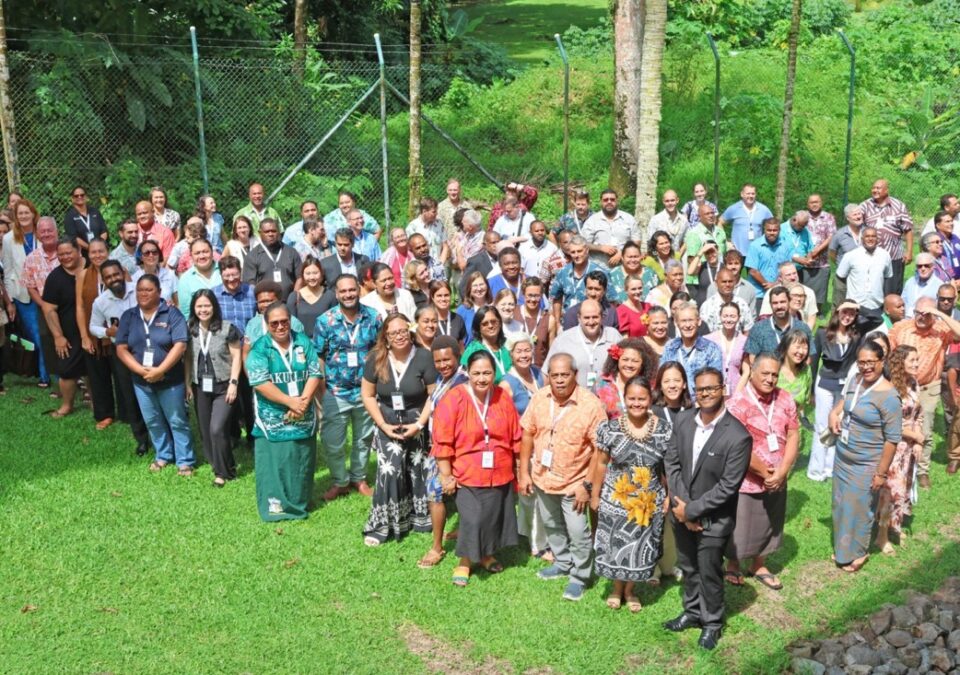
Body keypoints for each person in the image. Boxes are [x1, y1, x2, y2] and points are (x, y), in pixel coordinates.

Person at [663, 367, 752, 650]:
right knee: (688, 567)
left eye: (711, 388)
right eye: (700, 389)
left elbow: (728, 486)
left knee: (709, 571)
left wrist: (692, 511)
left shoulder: (738, 436)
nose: (705, 394)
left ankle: (712, 622)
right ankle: (692, 612)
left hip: (713, 520)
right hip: (681, 510)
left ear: (723, 389)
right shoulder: (684, 420)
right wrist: (681, 506)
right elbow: (672, 463)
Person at [518, 353, 607, 601]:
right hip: (543, 478)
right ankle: (563, 562)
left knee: (578, 532)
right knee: (552, 525)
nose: (559, 380)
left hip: (574, 483)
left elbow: (600, 450)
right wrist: (524, 472)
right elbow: (527, 434)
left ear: (575, 375)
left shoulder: (591, 405)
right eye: (554, 375)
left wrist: (587, 485)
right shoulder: (539, 398)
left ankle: (580, 576)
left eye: (564, 375)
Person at [432, 349, 521, 586]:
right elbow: (442, 439)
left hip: (499, 470)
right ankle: (464, 561)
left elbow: (515, 435)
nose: (482, 378)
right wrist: (446, 474)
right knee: (472, 518)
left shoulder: (502, 396)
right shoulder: (455, 398)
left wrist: (520, 470)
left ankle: (486, 554)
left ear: (494, 373)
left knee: (492, 517)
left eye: (487, 373)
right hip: (467, 472)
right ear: (468, 373)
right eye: (477, 373)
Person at [591, 375, 672, 611]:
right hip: (616, 500)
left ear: (650, 399)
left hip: (649, 501)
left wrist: (668, 496)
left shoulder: (663, 430)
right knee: (616, 547)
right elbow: (600, 464)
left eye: (642, 398)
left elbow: (667, 468)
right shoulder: (610, 428)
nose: (637, 403)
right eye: (632, 399)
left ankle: (630, 590)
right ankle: (617, 589)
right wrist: (595, 495)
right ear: (624, 400)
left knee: (640, 548)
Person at [724, 354, 799, 592]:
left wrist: (783, 470)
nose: (770, 379)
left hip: (778, 475)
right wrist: (765, 473)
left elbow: (794, 434)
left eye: (774, 374)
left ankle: (759, 564)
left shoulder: (785, 398)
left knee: (771, 520)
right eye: (765, 373)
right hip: (746, 479)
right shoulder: (737, 403)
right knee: (741, 524)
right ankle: (733, 564)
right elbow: (736, 445)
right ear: (753, 373)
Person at [360, 313, 437, 545]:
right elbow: (367, 394)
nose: (399, 336)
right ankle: (383, 524)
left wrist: (420, 425)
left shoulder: (424, 356)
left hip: (417, 421)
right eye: (393, 333)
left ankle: (418, 518)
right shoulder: (376, 358)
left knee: (417, 468)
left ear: (410, 331)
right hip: (387, 422)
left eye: (403, 331)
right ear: (386, 337)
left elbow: (434, 395)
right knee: (389, 470)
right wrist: (382, 424)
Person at [827, 342, 902, 572]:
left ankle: (858, 553)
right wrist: (834, 413)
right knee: (841, 504)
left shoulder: (889, 396)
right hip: (843, 455)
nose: (866, 367)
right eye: (862, 362)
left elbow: (892, 439)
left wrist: (881, 473)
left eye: (871, 362)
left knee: (859, 508)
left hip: (866, 462)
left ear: (882, 362)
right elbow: (844, 401)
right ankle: (842, 549)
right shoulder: (855, 380)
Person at [245, 302, 322, 520]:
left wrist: (303, 403)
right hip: (273, 418)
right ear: (267, 325)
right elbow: (260, 382)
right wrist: (291, 402)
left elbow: (315, 373)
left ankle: (299, 502)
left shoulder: (303, 341)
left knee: (300, 459)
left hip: (302, 414)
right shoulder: (260, 348)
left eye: (284, 321)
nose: (280, 326)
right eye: (274, 323)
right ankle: (276, 507)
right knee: (275, 462)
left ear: (290, 321)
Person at [115, 274, 195, 475]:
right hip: (141, 381)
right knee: (152, 420)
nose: (143, 293)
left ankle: (185, 460)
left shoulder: (172, 314)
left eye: (149, 290)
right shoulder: (129, 316)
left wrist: (161, 370)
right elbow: (121, 349)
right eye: (140, 290)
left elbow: (180, 345)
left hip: (170, 380)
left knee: (177, 420)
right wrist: (140, 370)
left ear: (159, 292)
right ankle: (163, 455)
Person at [310, 274, 381, 500]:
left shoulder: (373, 317)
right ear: (336, 293)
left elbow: (381, 351)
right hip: (335, 391)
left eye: (352, 290)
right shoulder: (325, 321)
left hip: (366, 391)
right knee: (332, 441)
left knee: (364, 439)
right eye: (343, 291)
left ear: (358, 289)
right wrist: (321, 389)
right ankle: (340, 481)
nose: (348, 294)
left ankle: (359, 478)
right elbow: (319, 356)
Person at [889, 297, 960, 489]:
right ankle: (895, 461)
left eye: (926, 314)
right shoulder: (901, 328)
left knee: (926, 429)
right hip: (902, 386)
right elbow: (888, 351)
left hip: (929, 386)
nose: (921, 317)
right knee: (899, 425)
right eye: (918, 312)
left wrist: (938, 314)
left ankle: (922, 471)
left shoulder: (940, 330)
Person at [416, 336, 469, 568]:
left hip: (455, 450)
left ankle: (438, 548)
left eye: (447, 359)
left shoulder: (464, 383)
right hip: (437, 446)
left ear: (457, 357)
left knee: (441, 493)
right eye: (438, 361)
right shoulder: (441, 379)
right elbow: (431, 400)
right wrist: (419, 424)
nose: (443, 365)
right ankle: (442, 541)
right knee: (435, 493)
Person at [88, 260, 151, 455]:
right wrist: (108, 331)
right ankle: (141, 439)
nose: (113, 279)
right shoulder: (101, 302)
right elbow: (93, 326)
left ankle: (163, 433)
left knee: (154, 390)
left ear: (123, 273)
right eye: (108, 277)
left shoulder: (139, 289)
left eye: (116, 274)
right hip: (122, 354)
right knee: (129, 396)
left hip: (147, 349)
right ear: (103, 280)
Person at [499, 333, 550, 560]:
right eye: (519, 351)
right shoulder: (506, 384)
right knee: (531, 494)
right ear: (511, 355)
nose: (524, 355)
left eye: (527, 350)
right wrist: (518, 456)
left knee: (543, 492)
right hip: (523, 447)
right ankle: (538, 544)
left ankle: (531, 533)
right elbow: (506, 423)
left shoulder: (539, 374)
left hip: (545, 445)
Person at [185, 290, 242, 487]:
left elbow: (237, 356)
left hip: (223, 386)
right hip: (200, 385)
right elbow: (187, 359)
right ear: (194, 308)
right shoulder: (190, 329)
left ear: (214, 306)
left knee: (217, 428)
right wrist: (187, 384)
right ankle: (218, 464)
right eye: (199, 306)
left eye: (207, 305)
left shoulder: (227, 329)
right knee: (205, 430)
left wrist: (234, 383)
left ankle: (224, 472)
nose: (203, 310)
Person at [875, 345, 923, 554]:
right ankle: (881, 536)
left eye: (917, 360)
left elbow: (918, 415)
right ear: (899, 363)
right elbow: (890, 423)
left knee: (903, 490)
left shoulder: (914, 384)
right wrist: (916, 436)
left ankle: (895, 525)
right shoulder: (890, 389)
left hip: (909, 449)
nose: (916, 364)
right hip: (893, 447)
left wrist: (918, 441)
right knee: (889, 491)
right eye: (912, 360)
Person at [808, 301, 861, 481]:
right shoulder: (823, 333)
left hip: (844, 385)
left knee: (837, 425)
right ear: (837, 312)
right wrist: (811, 390)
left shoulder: (856, 335)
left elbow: (873, 317)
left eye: (852, 314)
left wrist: (857, 306)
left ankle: (830, 468)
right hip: (825, 383)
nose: (847, 317)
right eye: (844, 312)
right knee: (822, 425)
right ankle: (816, 469)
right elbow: (814, 361)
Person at [2, 199, 47, 386]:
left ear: (33, 213)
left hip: (45, 291)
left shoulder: (42, 232)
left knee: (47, 332)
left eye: (26, 212)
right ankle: (44, 374)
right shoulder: (8, 238)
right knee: (36, 334)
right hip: (22, 294)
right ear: (16, 216)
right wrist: (10, 300)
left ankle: (48, 371)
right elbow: (8, 269)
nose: (23, 216)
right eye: (20, 213)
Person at [41, 238, 86, 418]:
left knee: (95, 370)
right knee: (67, 370)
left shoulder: (92, 267)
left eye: (69, 253)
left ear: (78, 251)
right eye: (61, 255)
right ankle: (67, 405)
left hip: (94, 330)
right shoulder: (55, 278)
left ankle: (100, 405)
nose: (65, 257)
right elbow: (49, 309)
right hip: (69, 333)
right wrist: (58, 336)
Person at [75, 239, 116, 429]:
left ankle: (127, 412)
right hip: (93, 334)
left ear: (107, 252)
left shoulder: (118, 271)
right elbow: (80, 306)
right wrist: (84, 336)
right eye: (93, 252)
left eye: (101, 251)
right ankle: (104, 414)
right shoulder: (83, 275)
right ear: (88, 254)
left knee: (122, 376)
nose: (97, 255)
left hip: (116, 334)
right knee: (98, 376)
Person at [548, 299, 622, 389]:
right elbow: (548, 373)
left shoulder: (614, 336)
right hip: (576, 399)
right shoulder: (563, 340)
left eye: (595, 317)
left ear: (602, 317)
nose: (591, 322)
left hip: (607, 399)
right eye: (586, 318)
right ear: (579, 318)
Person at [23, 216, 61, 388]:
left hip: (68, 307)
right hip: (44, 307)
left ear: (56, 231)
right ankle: (60, 380)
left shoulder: (67, 252)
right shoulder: (31, 258)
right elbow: (30, 287)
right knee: (48, 341)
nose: (46, 234)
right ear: (37, 235)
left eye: (50, 230)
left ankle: (80, 380)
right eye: (43, 231)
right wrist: (43, 304)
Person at [859, 178, 913, 295]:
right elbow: (856, 225)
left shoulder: (898, 206)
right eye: (873, 188)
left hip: (893, 255)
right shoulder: (865, 206)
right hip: (871, 255)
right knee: (872, 288)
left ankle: (891, 312)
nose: (875, 190)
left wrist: (909, 251)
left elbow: (908, 229)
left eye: (878, 188)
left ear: (886, 190)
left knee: (892, 289)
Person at [661, 303, 723, 398]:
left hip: (700, 405)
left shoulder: (711, 349)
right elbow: (662, 377)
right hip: (675, 404)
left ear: (698, 321)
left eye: (691, 320)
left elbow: (715, 383)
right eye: (683, 321)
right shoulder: (670, 347)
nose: (687, 325)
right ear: (676, 323)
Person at [744, 286, 815, 363]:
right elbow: (752, 359)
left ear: (789, 302)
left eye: (782, 302)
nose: (779, 306)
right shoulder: (759, 328)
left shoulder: (803, 328)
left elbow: (808, 358)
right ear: (770, 304)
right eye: (775, 303)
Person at [592, 338, 657, 420]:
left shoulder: (651, 386)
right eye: (625, 360)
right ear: (617, 361)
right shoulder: (601, 384)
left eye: (635, 361)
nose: (629, 364)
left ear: (643, 364)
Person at [241, 219, 300, 301]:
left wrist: (294, 297)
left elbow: (300, 277)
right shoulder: (252, 256)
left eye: (273, 231)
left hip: (289, 303)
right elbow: (250, 284)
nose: (270, 234)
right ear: (260, 233)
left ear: (279, 232)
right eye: (267, 232)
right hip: (266, 304)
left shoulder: (291, 252)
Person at [581, 189, 641, 269]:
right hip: (598, 268)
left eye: (612, 199)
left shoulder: (629, 219)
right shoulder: (592, 221)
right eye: (605, 200)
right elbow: (583, 244)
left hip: (624, 268)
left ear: (617, 201)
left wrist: (622, 253)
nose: (609, 202)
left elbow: (637, 241)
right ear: (601, 202)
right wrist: (601, 248)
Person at [706, 302, 749, 397]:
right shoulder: (708, 340)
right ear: (720, 316)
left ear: (738, 317)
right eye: (725, 316)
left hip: (737, 389)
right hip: (713, 390)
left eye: (732, 316)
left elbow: (746, 371)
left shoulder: (744, 341)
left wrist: (738, 393)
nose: (728, 320)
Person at [285, 256, 335, 339]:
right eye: (308, 274)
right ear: (302, 275)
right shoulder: (294, 297)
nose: (312, 277)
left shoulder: (330, 296)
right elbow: (291, 326)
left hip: (325, 345)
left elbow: (334, 324)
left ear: (321, 273)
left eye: (315, 273)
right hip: (302, 345)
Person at [745, 218, 791, 306]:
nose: (772, 233)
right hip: (758, 293)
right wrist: (768, 286)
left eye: (775, 230)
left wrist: (775, 285)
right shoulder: (755, 246)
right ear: (764, 230)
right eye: (769, 230)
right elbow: (753, 271)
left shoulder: (785, 246)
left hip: (779, 293)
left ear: (779, 230)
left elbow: (787, 269)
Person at [720, 183, 774, 256]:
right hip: (737, 252)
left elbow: (774, 225)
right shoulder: (734, 208)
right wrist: (726, 242)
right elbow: (719, 222)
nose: (750, 196)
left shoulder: (763, 209)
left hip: (756, 251)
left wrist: (768, 242)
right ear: (742, 194)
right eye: (748, 193)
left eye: (753, 194)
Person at [461, 305, 512, 381]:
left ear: (500, 323)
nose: (490, 326)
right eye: (485, 324)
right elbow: (464, 379)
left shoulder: (508, 345)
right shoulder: (473, 350)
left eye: (494, 321)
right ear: (478, 328)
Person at [684, 204, 728, 289]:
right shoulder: (694, 234)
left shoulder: (721, 232)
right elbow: (691, 259)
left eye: (712, 213)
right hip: (698, 281)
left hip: (719, 278)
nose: (711, 216)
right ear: (699, 216)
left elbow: (724, 255)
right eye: (707, 214)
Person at [804, 194, 836, 310]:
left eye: (817, 202)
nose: (814, 204)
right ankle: (805, 308)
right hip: (805, 259)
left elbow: (831, 236)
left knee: (821, 286)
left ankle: (820, 309)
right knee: (805, 286)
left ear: (821, 203)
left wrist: (818, 249)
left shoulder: (829, 217)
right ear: (808, 204)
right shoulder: (803, 216)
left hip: (822, 260)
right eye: (812, 202)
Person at [699, 268, 755, 334]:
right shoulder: (707, 306)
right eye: (724, 282)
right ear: (716, 284)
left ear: (734, 282)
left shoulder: (742, 304)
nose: (727, 285)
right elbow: (703, 333)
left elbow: (747, 330)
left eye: (730, 281)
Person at [828, 204, 865, 305]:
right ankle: (835, 321)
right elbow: (832, 252)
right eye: (855, 215)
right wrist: (842, 264)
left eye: (859, 213)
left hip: (862, 274)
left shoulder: (867, 232)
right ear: (848, 218)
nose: (858, 216)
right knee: (839, 302)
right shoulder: (840, 234)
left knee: (859, 302)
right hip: (843, 275)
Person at [514, 277, 553, 367]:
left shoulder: (549, 320)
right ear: (523, 294)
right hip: (516, 370)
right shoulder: (514, 314)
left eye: (536, 295)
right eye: (530, 295)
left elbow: (551, 352)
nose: (533, 299)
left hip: (539, 372)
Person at [177, 238, 222, 317]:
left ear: (212, 253)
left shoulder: (224, 270)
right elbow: (186, 313)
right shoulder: (185, 280)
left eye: (205, 252)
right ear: (191, 256)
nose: (202, 256)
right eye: (197, 253)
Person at [63, 186, 108, 256]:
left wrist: (99, 246)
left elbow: (104, 231)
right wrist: (91, 248)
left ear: (86, 197)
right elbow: (74, 238)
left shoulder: (95, 211)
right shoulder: (69, 216)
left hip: (100, 251)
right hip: (82, 254)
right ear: (72, 199)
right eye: (76, 196)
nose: (79, 197)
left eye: (82, 195)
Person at [776, 328, 813, 409]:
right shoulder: (774, 369)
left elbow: (805, 400)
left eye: (805, 348)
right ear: (786, 347)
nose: (801, 351)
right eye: (798, 347)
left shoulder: (806, 371)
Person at [459, 230, 501, 299]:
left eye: (498, 242)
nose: (496, 245)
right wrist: (470, 304)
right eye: (493, 243)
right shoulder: (475, 261)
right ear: (485, 245)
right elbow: (464, 287)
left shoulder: (503, 259)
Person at [449, 208, 485, 288]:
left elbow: (463, 266)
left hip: (473, 283)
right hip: (463, 279)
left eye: (464, 222)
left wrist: (458, 249)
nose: (461, 222)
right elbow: (452, 259)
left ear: (470, 226)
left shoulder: (480, 241)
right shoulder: (468, 234)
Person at [406, 198, 448, 265]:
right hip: (421, 268)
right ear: (424, 211)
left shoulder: (439, 224)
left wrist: (440, 264)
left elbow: (445, 246)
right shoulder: (412, 227)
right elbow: (410, 251)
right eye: (434, 212)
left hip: (438, 265)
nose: (436, 214)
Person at [456, 272, 492, 344]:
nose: (479, 288)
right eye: (475, 285)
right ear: (469, 289)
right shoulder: (462, 310)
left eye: (481, 284)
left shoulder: (493, 307)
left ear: (487, 286)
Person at [617, 274, 656, 338]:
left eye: (640, 288)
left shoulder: (648, 306)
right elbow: (624, 339)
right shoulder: (622, 311)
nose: (637, 291)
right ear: (626, 290)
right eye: (633, 289)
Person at [430, 280, 467, 345]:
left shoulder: (458, 319)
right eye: (439, 296)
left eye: (446, 295)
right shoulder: (429, 321)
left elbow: (461, 346)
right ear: (433, 298)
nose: (443, 299)